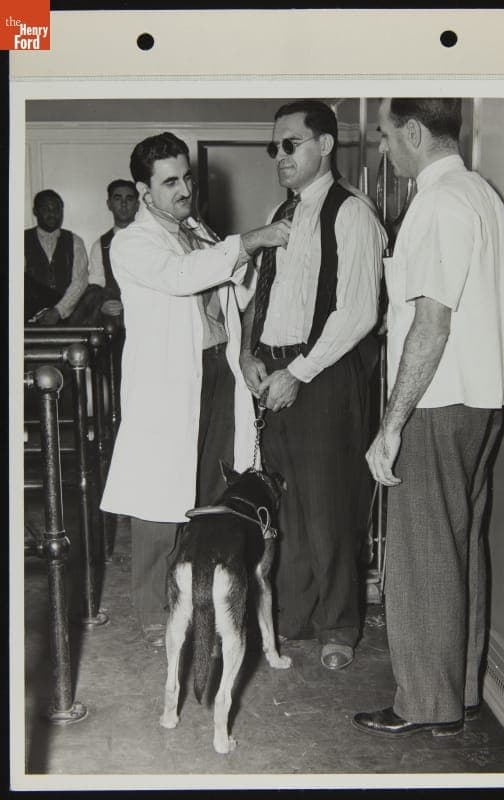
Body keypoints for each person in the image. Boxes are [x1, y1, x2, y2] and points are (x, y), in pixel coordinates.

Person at [353, 98, 504, 737]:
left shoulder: (436, 203)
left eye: (387, 137)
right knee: (460, 547)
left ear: (415, 133)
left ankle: (425, 705)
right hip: (484, 402)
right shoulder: (482, 194)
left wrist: (392, 425)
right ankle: (462, 694)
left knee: (422, 556)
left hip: (437, 403)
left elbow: (429, 323)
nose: (384, 152)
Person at [99, 132, 291, 646]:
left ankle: (199, 598)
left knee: (210, 491)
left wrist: (251, 265)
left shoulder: (196, 228)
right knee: (159, 502)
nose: (184, 188)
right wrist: (250, 241)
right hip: (169, 381)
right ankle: (152, 612)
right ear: (144, 191)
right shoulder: (133, 241)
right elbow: (181, 276)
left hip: (215, 372)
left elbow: (232, 289)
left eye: (186, 177)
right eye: (170, 182)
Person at [240, 100, 387, 671]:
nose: (280, 155)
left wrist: (297, 372)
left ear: (324, 145)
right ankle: (293, 616)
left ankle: (338, 625)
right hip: (275, 373)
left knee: (328, 505)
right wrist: (251, 356)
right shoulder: (283, 212)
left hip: (323, 376)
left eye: (291, 143)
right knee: (284, 506)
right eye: (274, 146)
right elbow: (268, 297)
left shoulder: (352, 214)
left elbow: (356, 314)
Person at [77, 179, 140, 325]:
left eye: (129, 199)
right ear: (109, 204)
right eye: (118, 198)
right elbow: (95, 284)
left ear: (137, 205)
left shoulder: (152, 239)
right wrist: (102, 305)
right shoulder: (100, 245)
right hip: (117, 322)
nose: (123, 204)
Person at [24, 189, 89, 324]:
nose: (52, 213)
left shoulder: (75, 241)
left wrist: (58, 311)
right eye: (46, 209)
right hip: (29, 318)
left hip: (67, 316)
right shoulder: (19, 240)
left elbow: (80, 281)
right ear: (35, 211)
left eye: (57, 209)